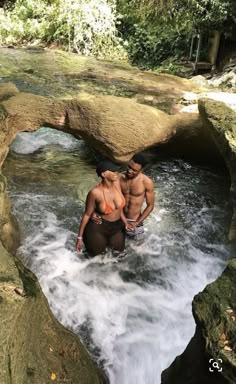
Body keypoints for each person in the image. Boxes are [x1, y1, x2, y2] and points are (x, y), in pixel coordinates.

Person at [92, 154, 155, 241]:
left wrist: (137, 222)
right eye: (129, 167)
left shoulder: (147, 182)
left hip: (135, 221)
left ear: (141, 170)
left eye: (134, 170)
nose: (129, 171)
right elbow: (104, 195)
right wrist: (94, 211)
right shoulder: (118, 178)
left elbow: (150, 206)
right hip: (118, 218)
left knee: (137, 249)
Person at [76, 161, 128, 256]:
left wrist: (126, 222)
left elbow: (119, 209)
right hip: (98, 228)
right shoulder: (95, 192)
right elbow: (87, 214)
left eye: (116, 170)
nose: (116, 173)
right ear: (103, 174)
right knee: (96, 260)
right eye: (113, 170)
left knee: (120, 257)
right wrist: (79, 238)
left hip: (117, 228)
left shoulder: (117, 183)